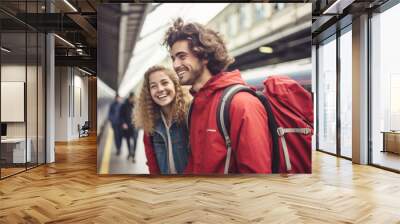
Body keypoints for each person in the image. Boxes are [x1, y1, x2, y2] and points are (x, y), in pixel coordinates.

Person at [163, 18, 271, 174]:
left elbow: (257, 178)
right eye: (173, 58)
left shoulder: (241, 104)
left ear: (204, 56)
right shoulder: (195, 106)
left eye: (182, 56)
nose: (175, 65)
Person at [134, 65, 190, 174]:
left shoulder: (190, 116)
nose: (160, 89)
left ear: (175, 85)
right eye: (153, 86)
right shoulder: (150, 123)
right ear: (149, 92)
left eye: (164, 83)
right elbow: (152, 162)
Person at [119, 92, 138, 162]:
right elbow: (121, 116)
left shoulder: (136, 105)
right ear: (130, 98)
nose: (134, 99)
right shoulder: (124, 105)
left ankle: (134, 155)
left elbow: (140, 115)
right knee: (128, 140)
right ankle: (129, 152)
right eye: (133, 98)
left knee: (135, 140)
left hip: (135, 126)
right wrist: (123, 123)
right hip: (127, 126)